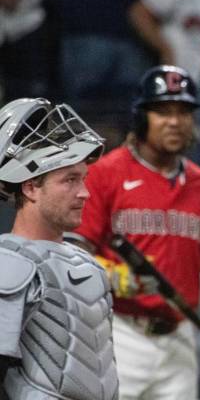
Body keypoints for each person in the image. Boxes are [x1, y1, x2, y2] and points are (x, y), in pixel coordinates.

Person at [67, 65, 200, 399]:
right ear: (141, 117)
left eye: (183, 111)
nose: (174, 121)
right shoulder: (104, 174)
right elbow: (70, 252)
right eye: (162, 111)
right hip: (118, 332)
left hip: (180, 337)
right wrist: (111, 276)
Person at [0, 98, 117, 399]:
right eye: (69, 180)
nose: (84, 193)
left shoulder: (86, 262)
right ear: (29, 187)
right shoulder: (9, 263)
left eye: (84, 179)